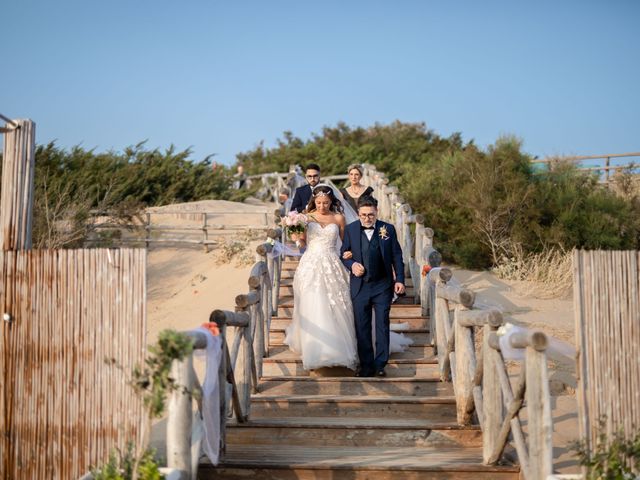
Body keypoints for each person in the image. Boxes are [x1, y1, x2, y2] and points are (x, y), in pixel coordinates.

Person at [285, 184, 359, 370]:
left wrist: (349, 255)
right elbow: (301, 244)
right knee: (313, 301)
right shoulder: (306, 218)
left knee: (336, 302)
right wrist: (295, 235)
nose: (322, 206)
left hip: (332, 261)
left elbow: (346, 243)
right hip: (311, 263)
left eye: (326, 203)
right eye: (318, 202)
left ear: (331, 202)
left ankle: (339, 347)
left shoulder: (339, 218)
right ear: (314, 202)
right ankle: (315, 349)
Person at [340, 196, 406, 377]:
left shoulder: (388, 229)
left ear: (376, 212)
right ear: (358, 214)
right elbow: (343, 254)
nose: (367, 218)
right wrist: (352, 264)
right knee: (362, 326)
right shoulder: (351, 229)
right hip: (360, 286)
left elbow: (396, 257)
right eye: (363, 215)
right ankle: (367, 365)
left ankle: (380, 364)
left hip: (383, 285)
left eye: (370, 215)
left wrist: (399, 279)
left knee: (382, 325)